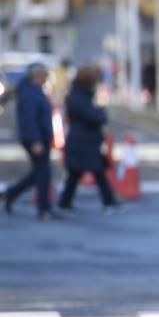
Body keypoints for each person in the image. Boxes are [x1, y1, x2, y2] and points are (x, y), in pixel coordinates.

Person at [57, 66, 119, 213]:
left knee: (76, 173)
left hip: (82, 140)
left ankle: (65, 203)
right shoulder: (80, 97)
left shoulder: (78, 94)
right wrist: (101, 113)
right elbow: (93, 116)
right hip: (84, 141)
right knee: (96, 171)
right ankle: (109, 202)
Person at [4, 63, 56, 220]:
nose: (47, 77)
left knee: (40, 173)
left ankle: (10, 194)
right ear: (37, 75)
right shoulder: (29, 93)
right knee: (43, 173)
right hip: (35, 138)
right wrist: (35, 140)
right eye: (45, 73)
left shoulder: (34, 90)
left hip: (40, 137)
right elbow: (29, 119)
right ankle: (43, 209)